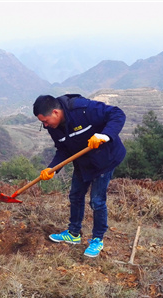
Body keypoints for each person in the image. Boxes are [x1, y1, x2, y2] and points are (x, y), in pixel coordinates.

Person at [33, 94, 126, 257]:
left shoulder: (82, 109)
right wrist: (52, 168)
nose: (45, 125)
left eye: (45, 121)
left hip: (105, 158)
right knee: (75, 196)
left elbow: (117, 114)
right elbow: (63, 149)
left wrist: (104, 135)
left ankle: (97, 239)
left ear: (55, 112)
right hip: (83, 161)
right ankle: (73, 233)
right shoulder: (53, 128)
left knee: (97, 201)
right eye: (43, 123)